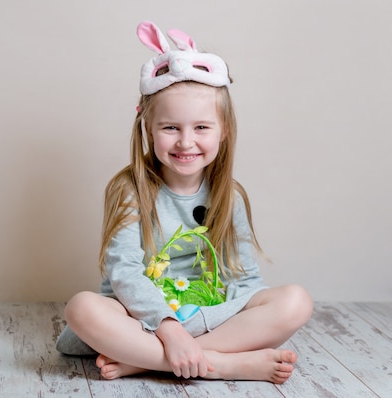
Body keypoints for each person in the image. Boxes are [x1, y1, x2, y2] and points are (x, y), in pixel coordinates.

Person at [55, 21, 313, 384]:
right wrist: (169, 329)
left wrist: (250, 315)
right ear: (148, 128)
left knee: (296, 301)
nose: (185, 142)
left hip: (207, 313)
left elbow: (243, 277)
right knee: (81, 308)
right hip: (137, 318)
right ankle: (219, 364)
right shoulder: (129, 189)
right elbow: (124, 271)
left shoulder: (230, 195)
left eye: (202, 128)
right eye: (171, 128)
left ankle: (149, 361)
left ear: (224, 132)